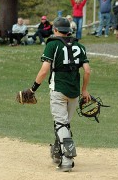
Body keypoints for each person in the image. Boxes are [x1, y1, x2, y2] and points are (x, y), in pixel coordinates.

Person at [25, 17, 91, 172]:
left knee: (61, 123)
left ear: (55, 30)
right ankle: (57, 153)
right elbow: (87, 70)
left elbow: (44, 70)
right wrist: (84, 90)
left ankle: (67, 159)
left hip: (58, 89)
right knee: (64, 124)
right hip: (74, 91)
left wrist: (33, 89)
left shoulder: (52, 44)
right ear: (69, 31)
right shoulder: (79, 46)